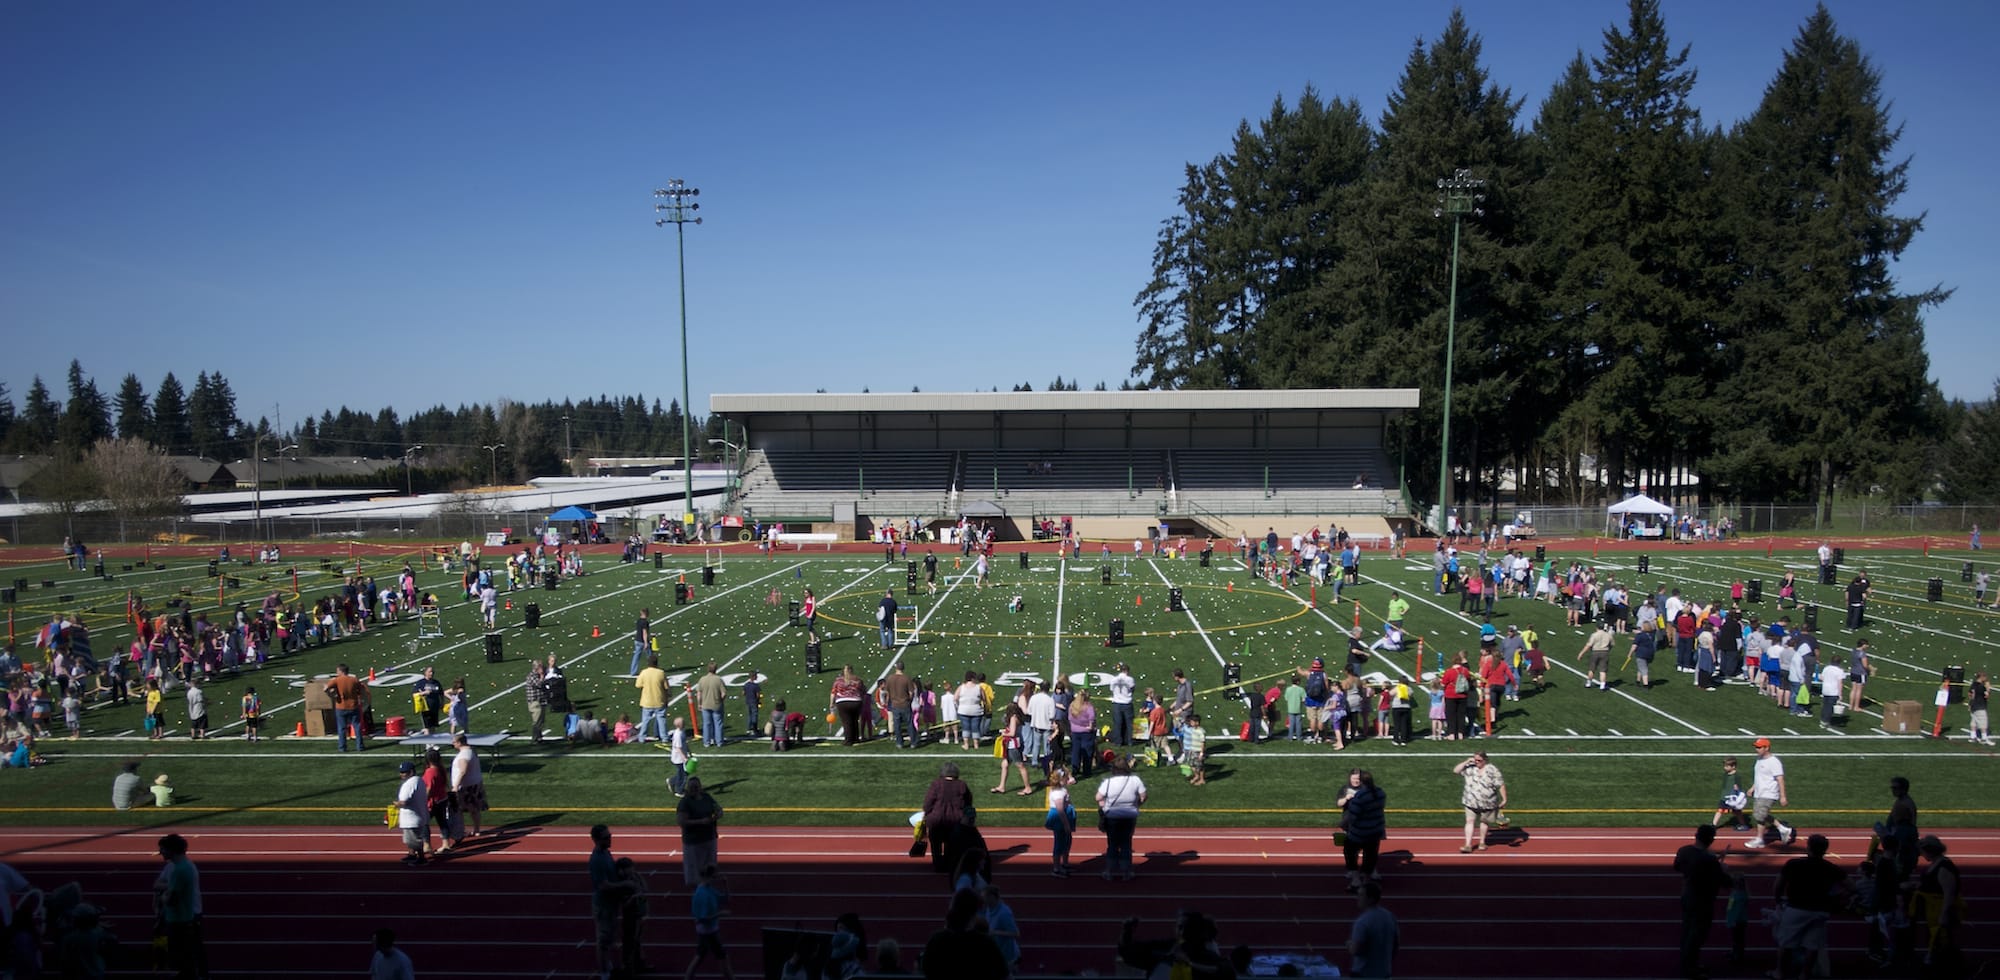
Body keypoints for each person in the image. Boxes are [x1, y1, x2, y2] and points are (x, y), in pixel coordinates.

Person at [1772, 835, 1845, 980]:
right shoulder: (1831, 868)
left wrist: (1778, 900)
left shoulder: (1793, 864)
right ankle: (1805, 974)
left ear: (1808, 847)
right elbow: (1851, 886)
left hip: (1796, 908)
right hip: (1820, 910)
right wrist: (1834, 897)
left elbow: (1778, 885)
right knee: (1813, 945)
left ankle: (1780, 972)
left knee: (1786, 943)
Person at [1674, 824, 1732, 979]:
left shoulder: (1684, 851)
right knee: (1697, 935)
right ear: (1711, 839)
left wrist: (1714, 864)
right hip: (1703, 900)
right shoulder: (1709, 860)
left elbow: (1678, 867)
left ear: (1696, 835)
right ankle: (1689, 968)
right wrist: (1722, 869)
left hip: (1687, 895)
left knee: (1687, 930)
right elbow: (1726, 883)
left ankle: (1687, 963)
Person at [1116, 911, 1236, 980]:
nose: (1182, 932)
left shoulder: (1203, 954)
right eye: (1180, 927)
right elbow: (1129, 953)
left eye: (1187, 927)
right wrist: (1126, 932)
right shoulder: (1165, 949)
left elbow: (1227, 971)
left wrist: (1190, 964)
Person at [921, 888, 1008, 980]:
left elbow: (927, 970)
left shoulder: (936, 939)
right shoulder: (985, 943)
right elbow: (1003, 973)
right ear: (974, 913)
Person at [153, 833, 206, 980]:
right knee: (185, 951)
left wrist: (163, 896)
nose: (161, 853)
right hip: (180, 918)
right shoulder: (180, 867)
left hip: (181, 920)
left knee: (184, 954)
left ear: (171, 850)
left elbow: (171, 899)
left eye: (163, 850)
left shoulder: (180, 870)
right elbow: (159, 885)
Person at [1910, 835, 1963, 972]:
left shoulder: (1944, 868)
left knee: (1943, 939)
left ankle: (1947, 968)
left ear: (1930, 851)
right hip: (1932, 910)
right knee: (1935, 938)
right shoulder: (1935, 864)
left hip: (1940, 909)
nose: (1921, 855)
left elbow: (1949, 893)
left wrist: (1944, 914)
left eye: (1922, 851)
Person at [1095, 755, 1148, 880]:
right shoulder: (1135, 780)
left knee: (1112, 844)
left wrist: (1104, 805)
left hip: (1112, 816)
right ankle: (1126, 872)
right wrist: (1136, 805)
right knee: (1126, 844)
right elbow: (1144, 796)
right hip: (1129, 816)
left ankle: (1109, 872)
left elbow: (1098, 798)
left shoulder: (1108, 782)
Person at [1336, 768, 1387, 890]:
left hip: (1360, 832)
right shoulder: (1380, 793)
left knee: (1350, 853)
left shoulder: (1359, 797)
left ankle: (1356, 881)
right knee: (1370, 855)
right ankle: (1367, 881)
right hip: (1375, 830)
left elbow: (1353, 816)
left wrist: (1342, 825)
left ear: (1362, 782)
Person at [922, 762, 973, 873]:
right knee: (951, 844)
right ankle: (948, 863)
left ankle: (938, 865)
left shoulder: (936, 784)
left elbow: (928, 803)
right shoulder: (962, 785)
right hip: (956, 820)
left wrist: (926, 813)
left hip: (936, 820)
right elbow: (968, 802)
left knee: (936, 844)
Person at [1454, 751, 1506, 853]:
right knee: (1469, 821)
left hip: (1488, 802)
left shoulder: (1492, 770)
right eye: (1475, 759)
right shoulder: (1470, 767)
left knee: (1484, 822)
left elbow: (1501, 784)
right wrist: (1466, 761)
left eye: (1479, 760)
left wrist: (1504, 799)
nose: (1477, 762)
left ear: (1485, 760)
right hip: (1470, 801)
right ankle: (1468, 844)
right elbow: (1456, 770)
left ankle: (1482, 842)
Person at [1744, 738, 1791, 848]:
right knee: (1759, 814)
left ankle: (1760, 839)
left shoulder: (1774, 762)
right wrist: (1753, 788)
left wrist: (1783, 796)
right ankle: (1782, 829)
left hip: (1769, 793)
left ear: (1767, 748)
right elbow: (1760, 777)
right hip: (1759, 792)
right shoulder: (1759, 759)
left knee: (1760, 815)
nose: (1756, 749)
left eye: (1759, 747)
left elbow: (1780, 779)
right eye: (1756, 747)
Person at [1345, 881, 1398, 979]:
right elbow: (1395, 944)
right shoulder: (1390, 916)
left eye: (1361, 895)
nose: (1358, 899)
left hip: (1363, 973)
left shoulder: (1362, 921)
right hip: (1384, 973)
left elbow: (1356, 950)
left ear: (1370, 899)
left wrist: (1349, 945)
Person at [677, 776, 723, 887]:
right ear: (688, 788)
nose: (694, 789)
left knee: (710, 867)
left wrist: (718, 813)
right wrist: (700, 822)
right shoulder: (685, 802)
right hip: (694, 841)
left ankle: (708, 887)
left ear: (700, 787)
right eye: (691, 787)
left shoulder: (707, 797)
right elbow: (681, 821)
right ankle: (698, 893)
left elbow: (718, 808)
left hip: (709, 837)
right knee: (695, 872)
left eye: (696, 787)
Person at [325, 664, 369, 752]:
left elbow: (326, 689)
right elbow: (363, 690)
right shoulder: (354, 680)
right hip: (353, 706)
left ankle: (342, 747)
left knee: (342, 728)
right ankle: (360, 746)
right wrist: (363, 700)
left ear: (340, 671)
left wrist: (332, 696)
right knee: (357, 726)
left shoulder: (336, 680)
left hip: (341, 707)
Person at [393, 761, 430, 865]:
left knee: (413, 841)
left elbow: (404, 801)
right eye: (401, 772)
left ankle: (421, 859)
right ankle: (412, 855)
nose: (401, 774)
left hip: (411, 819)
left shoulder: (409, 784)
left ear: (411, 772)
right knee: (411, 839)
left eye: (404, 772)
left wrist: (396, 804)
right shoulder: (419, 780)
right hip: (418, 816)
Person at [981, 886, 1020, 974]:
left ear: (991, 897)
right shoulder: (989, 909)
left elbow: (1016, 933)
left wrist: (995, 932)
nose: (982, 900)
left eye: (984, 898)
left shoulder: (1004, 913)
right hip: (996, 954)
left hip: (1005, 957)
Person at [635, 654, 670, 743]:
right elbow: (666, 688)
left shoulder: (644, 672)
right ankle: (664, 737)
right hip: (659, 700)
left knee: (645, 721)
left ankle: (642, 737)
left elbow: (638, 685)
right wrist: (667, 699)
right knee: (661, 720)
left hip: (647, 701)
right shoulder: (661, 673)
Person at [1712, 756, 1750, 831]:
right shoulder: (1726, 774)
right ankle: (1713, 824)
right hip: (1724, 797)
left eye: (1727, 766)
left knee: (1737, 812)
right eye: (1724, 766)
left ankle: (1743, 824)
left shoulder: (1736, 776)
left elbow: (1739, 788)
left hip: (1732, 798)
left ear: (1733, 766)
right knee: (1720, 810)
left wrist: (1737, 788)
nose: (1725, 768)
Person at [1576, 622, 1614, 692]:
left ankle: (1588, 683)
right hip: (1605, 652)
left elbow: (1589, 645)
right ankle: (1602, 686)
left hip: (1595, 652)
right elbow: (1612, 644)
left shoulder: (1594, 635)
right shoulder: (1608, 635)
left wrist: (1581, 653)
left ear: (1597, 627)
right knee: (1603, 670)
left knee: (1592, 669)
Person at [1108, 662, 1136, 746]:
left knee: (1117, 723)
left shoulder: (1113, 679)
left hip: (1117, 703)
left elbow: (1111, 689)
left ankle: (1118, 741)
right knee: (1129, 723)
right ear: (1127, 671)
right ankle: (1129, 741)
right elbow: (1132, 689)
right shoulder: (1130, 679)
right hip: (1127, 703)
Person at [413, 667, 443, 736]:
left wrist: (442, 703)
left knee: (433, 726)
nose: (431, 673)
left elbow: (441, 693)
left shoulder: (436, 682)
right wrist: (424, 693)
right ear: (425, 673)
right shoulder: (420, 683)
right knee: (427, 727)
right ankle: (428, 744)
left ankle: (433, 743)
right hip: (425, 707)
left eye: (432, 672)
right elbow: (415, 694)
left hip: (435, 707)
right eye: (429, 672)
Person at [1966, 671, 1990, 745]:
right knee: (1983, 723)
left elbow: (1970, 694)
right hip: (1980, 706)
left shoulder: (1973, 684)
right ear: (1981, 677)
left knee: (1974, 722)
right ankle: (1984, 738)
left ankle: (1972, 737)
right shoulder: (1981, 686)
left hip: (1973, 706)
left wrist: (1970, 704)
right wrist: (1988, 688)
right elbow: (1986, 696)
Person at [629, 608, 652, 676]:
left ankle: (632, 671)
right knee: (650, 656)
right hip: (642, 641)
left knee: (636, 656)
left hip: (637, 640)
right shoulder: (645, 622)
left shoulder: (638, 621)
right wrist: (645, 643)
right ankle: (652, 669)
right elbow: (644, 632)